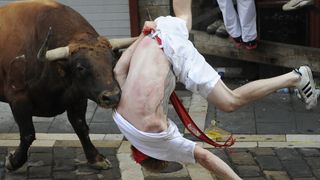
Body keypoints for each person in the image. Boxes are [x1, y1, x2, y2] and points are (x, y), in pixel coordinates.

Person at [112, 1, 317, 179]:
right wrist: (143, 34)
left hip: (174, 51)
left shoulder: (156, 132)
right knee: (183, 15)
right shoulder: (119, 112)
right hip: (156, 33)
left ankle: (295, 77)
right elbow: (119, 69)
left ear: (157, 153)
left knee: (230, 101)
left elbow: (204, 157)